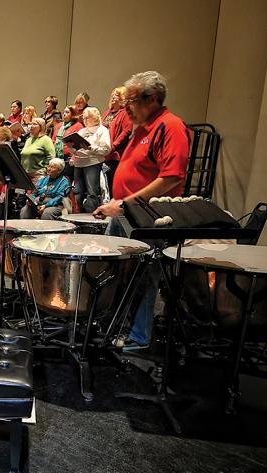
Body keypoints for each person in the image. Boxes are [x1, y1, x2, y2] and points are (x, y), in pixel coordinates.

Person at [93, 70, 190, 350]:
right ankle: (115, 325)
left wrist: (125, 202)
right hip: (124, 212)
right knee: (120, 274)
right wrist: (116, 205)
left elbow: (171, 177)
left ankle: (138, 336)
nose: (125, 108)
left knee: (143, 276)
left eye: (131, 100)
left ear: (154, 99)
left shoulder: (170, 127)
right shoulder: (143, 128)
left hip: (148, 217)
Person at [71, 107, 111, 213]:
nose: (84, 120)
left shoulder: (102, 130)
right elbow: (75, 148)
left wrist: (90, 148)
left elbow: (106, 150)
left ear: (95, 117)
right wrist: (71, 147)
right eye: (83, 118)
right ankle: (77, 214)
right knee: (78, 191)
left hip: (93, 162)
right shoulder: (82, 131)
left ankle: (91, 216)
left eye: (87, 118)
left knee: (92, 191)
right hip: (79, 163)